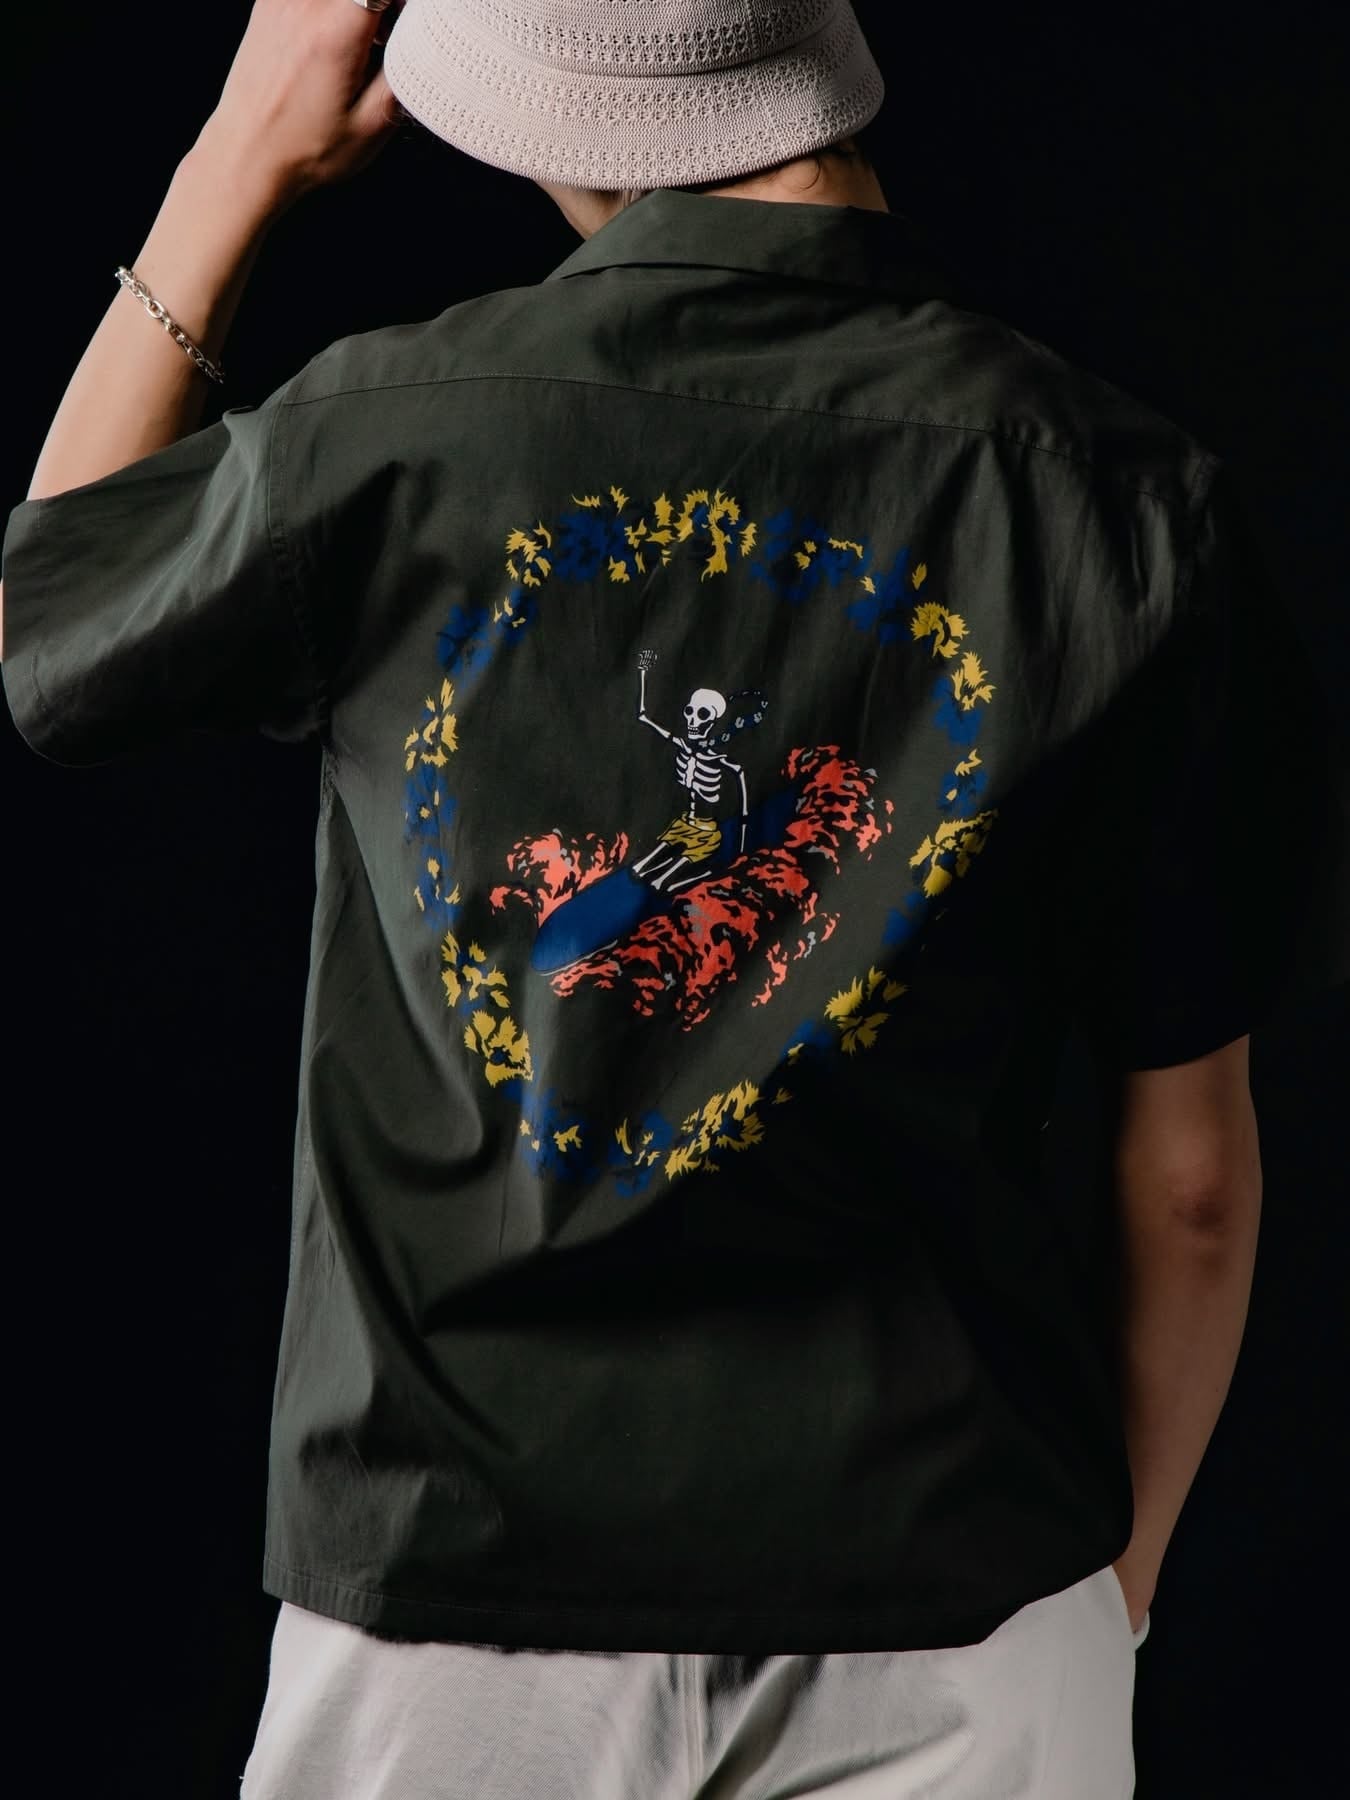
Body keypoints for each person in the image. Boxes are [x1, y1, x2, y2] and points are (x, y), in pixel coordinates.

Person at [2, 2, 1344, 1796]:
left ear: (550, 109)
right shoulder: (1123, 504)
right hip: (957, 1597)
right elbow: (1189, 1182)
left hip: (452, 1586)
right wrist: (1110, 1603)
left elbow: (55, 624)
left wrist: (239, 151)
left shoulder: (392, 430)